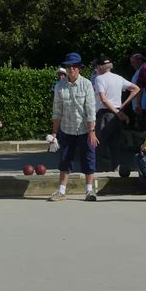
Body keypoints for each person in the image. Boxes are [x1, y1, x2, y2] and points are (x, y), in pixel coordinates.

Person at [48, 52, 98, 202]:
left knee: (89, 158)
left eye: (74, 67)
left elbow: (90, 110)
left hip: (85, 129)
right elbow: (57, 111)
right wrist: (54, 133)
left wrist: (92, 131)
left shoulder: (87, 84)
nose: (71, 69)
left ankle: (89, 191)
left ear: (79, 68)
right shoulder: (59, 86)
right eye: (69, 67)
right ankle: (61, 192)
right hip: (67, 129)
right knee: (64, 159)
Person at [94, 55, 140, 171]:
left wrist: (117, 111)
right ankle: (115, 168)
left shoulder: (99, 79)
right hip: (116, 113)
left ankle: (101, 169)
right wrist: (122, 106)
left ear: (100, 67)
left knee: (100, 143)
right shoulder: (119, 78)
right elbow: (136, 89)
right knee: (115, 143)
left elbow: (103, 99)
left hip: (105, 113)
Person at [129, 52, 146, 130]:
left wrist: (138, 104)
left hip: (142, 104)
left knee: (142, 127)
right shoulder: (139, 70)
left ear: (139, 61)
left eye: (133, 62)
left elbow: (140, 88)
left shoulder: (142, 70)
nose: (132, 65)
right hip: (139, 104)